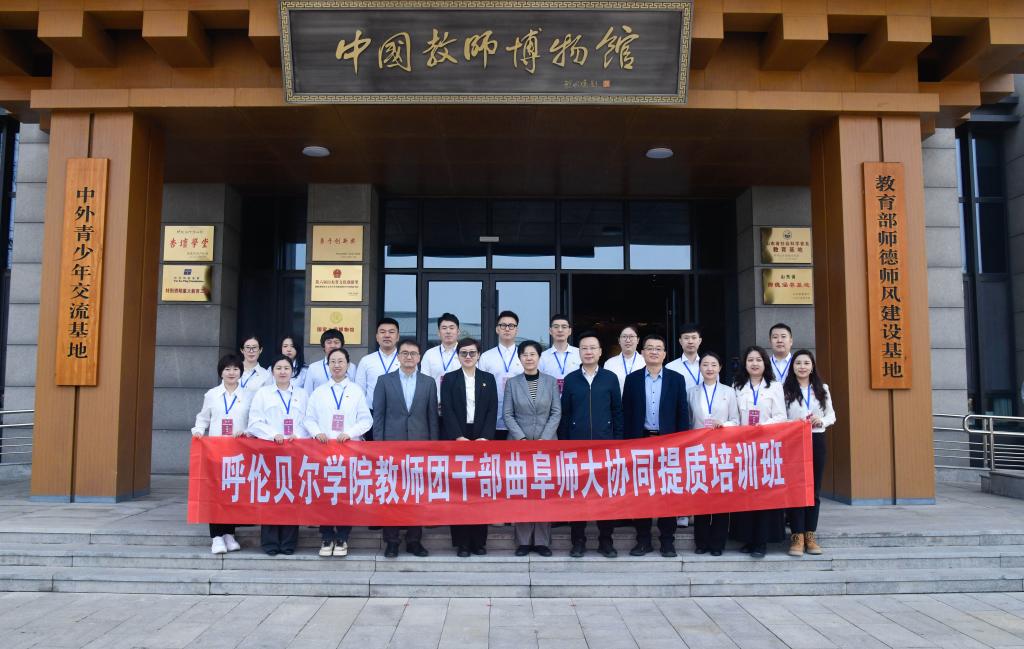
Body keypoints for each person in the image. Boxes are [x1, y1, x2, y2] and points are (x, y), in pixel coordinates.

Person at [622, 334, 689, 558]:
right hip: (640, 441)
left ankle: (667, 540)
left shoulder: (676, 379)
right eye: (649, 348)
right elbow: (626, 413)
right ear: (642, 353)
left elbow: (682, 413)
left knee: (667, 492)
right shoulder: (632, 380)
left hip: (668, 442)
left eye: (658, 348)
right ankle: (643, 540)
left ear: (665, 354)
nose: (653, 352)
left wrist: (681, 443)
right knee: (641, 492)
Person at [558, 331, 623, 558]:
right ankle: (578, 541)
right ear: (579, 352)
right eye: (584, 348)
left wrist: (617, 442)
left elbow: (617, 412)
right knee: (578, 495)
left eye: (593, 348)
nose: (588, 352)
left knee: (606, 496)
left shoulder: (610, 378)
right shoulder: (571, 379)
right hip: (577, 448)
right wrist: (565, 444)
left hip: (605, 447)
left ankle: (606, 541)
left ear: (600, 352)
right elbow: (565, 414)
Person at [373, 338, 439, 558]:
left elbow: (432, 417)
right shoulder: (384, 381)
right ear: (398, 356)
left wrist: (433, 447)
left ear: (419, 357)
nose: (409, 357)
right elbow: (379, 416)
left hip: (420, 447)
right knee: (391, 494)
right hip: (392, 447)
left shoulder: (428, 383)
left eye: (413, 353)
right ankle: (391, 541)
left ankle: (414, 540)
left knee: (416, 495)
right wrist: (379, 448)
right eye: (405, 353)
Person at [304, 347, 372, 558]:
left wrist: (350, 433)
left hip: (348, 451)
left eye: (340, 361)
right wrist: (317, 433)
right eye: (332, 361)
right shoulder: (319, 392)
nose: (336, 365)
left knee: (345, 494)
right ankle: (326, 536)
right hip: (323, 452)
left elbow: (366, 420)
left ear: (348, 365)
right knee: (325, 495)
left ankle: (342, 536)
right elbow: (308, 419)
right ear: (328, 365)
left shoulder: (356, 391)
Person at [503, 340, 561, 557]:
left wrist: (545, 438)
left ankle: (542, 542)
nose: (529, 358)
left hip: (547, 445)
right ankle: (524, 541)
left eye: (532, 354)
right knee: (523, 492)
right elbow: (507, 414)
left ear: (539, 357)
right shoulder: (512, 383)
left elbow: (556, 412)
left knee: (544, 492)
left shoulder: (551, 382)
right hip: (520, 446)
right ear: (519, 358)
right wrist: (522, 438)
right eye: (525, 354)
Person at [441, 338, 498, 557]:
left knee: (480, 489)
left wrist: (485, 436)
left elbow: (493, 409)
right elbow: (447, 409)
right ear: (457, 356)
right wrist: (458, 436)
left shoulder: (488, 379)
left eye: (472, 353)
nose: (468, 356)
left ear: (479, 355)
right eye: (463, 353)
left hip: (481, 437)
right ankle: (462, 543)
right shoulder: (449, 379)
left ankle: (478, 542)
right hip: (458, 437)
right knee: (459, 491)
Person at [248, 354, 309, 556]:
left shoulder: (302, 394)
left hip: (295, 451)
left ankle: (289, 542)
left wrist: (297, 435)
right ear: (272, 372)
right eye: (278, 368)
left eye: (286, 368)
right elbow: (254, 422)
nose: (283, 372)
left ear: (292, 372)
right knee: (271, 496)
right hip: (270, 451)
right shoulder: (263, 394)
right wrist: (273, 435)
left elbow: (309, 420)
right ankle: (270, 542)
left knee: (292, 495)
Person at [730, 346, 788, 558]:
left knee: (764, 494)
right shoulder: (737, 386)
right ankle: (747, 538)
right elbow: (735, 417)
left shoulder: (775, 386)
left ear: (765, 363)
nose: (754, 364)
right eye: (750, 360)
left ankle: (761, 541)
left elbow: (781, 416)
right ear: (744, 364)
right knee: (746, 493)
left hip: (767, 447)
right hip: (744, 448)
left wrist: (762, 426)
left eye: (758, 360)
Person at [191, 353, 250, 555]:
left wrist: (246, 432)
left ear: (241, 372)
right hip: (216, 451)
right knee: (215, 494)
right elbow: (203, 418)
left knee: (233, 493)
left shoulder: (248, 395)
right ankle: (216, 536)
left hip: (238, 452)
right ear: (221, 372)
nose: (231, 372)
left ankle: (229, 533)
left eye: (235, 369)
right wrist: (199, 431)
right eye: (227, 369)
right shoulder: (212, 394)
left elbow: (253, 421)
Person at [783, 349, 836, 558]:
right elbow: (780, 416)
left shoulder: (822, 388)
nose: (802, 367)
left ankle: (810, 535)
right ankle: (797, 536)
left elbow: (832, 415)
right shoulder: (785, 389)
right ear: (792, 367)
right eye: (798, 363)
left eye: (806, 363)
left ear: (812, 366)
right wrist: (793, 423)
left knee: (814, 489)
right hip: (794, 441)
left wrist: (821, 421)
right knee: (796, 489)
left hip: (816, 439)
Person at [687, 352, 739, 556]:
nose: (709, 368)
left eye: (713, 365)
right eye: (705, 364)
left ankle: (718, 543)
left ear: (720, 368)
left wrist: (723, 424)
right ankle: (701, 542)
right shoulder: (691, 392)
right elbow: (688, 422)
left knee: (721, 497)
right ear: (700, 368)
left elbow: (736, 420)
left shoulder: (729, 391)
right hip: (698, 450)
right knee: (701, 496)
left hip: (722, 450)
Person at [478, 311, 523, 442]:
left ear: (517, 330)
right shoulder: (486, 356)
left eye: (511, 326)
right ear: (497, 329)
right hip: (491, 418)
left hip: (519, 418)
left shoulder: (525, 356)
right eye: (503, 325)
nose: (507, 329)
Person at [355, 318, 401, 413]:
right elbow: (359, 390)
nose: (387, 335)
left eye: (391, 332)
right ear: (377, 337)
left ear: (397, 337)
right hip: (372, 412)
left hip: (399, 413)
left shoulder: (406, 361)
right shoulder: (366, 361)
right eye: (382, 332)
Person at [421, 312, 461, 399]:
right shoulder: (429, 354)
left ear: (458, 332)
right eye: (444, 328)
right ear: (439, 333)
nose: (448, 331)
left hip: (461, 404)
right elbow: (424, 383)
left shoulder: (466, 353)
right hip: (435, 404)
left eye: (451, 328)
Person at [539, 314, 581, 394]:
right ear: (550, 331)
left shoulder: (580, 354)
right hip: (550, 400)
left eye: (564, 327)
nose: (560, 330)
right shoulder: (542, 357)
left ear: (569, 331)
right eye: (556, 327)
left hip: (575, 399)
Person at [305, 329, 348, 397]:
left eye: (336, 342)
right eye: (329, 342)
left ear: (341, 345)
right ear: (323, 345)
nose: (333, 345)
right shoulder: (313, 368)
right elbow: (307, 393)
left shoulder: (351, 367)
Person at [604, 324, 642, 394]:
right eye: (624, 336)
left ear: (638, 340)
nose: (628, 340)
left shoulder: (645, 362)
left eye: (631, 336)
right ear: (619, 340)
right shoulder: (609, 364)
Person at [665, 325, 703, 390]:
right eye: (686, 338)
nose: (690, 342)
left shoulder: (710, 366)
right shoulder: (670, 367)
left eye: (694, 338)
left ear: (699, 341)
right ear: (680, 341)